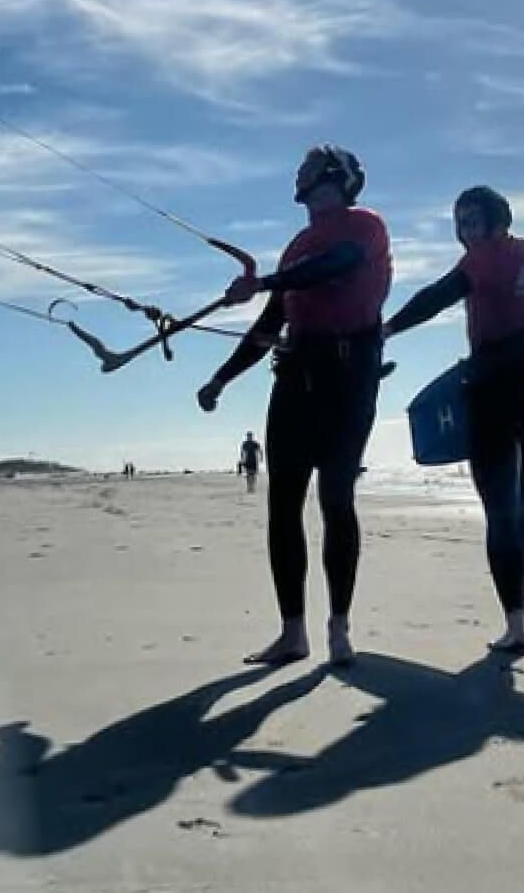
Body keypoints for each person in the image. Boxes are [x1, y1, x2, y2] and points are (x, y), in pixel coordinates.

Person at [197, 144, 391, 667]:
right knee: (282, 505)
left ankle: (339, 628)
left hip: (348, 379)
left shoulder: (363, 224)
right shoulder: (295, 247)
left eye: (309, 165)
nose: (298, 172)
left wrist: (262, 281)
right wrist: (221, 378)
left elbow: (338, 265)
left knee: (335, 499)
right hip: (294, 379)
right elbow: (269, 325)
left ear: (335, 176)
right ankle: (292, 632)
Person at [382, 186, 524, 660]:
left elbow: (437, 296)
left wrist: (385, 329)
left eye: (473, 220)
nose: (466, 231)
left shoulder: (488, 256)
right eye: (459, 223)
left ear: (497, 220)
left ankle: (514, 624)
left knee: (501, 509)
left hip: (495, 391)